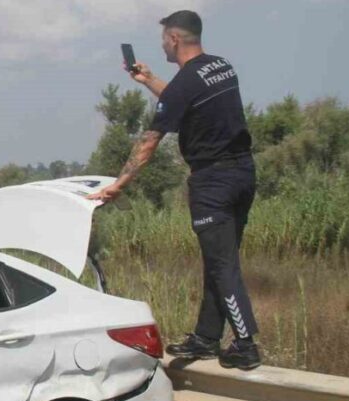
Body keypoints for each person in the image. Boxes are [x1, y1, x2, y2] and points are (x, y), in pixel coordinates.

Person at [87, 10, 260, 370]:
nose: (162, 42)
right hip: (243, 171)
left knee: (222, 263)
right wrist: (150, 80)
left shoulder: (185, 84)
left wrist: (117, 186)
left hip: (213, 182)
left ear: (174, 39)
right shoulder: (220, 67)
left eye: (164, 37)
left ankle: (246, 345)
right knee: (218, 259)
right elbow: (185, 101)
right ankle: (206, 338)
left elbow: (149, 143)